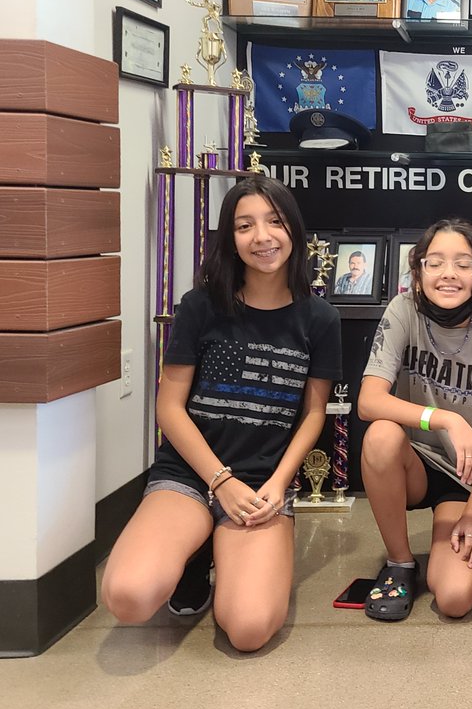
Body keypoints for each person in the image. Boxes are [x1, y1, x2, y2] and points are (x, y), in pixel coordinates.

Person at [100, 176, 341, 652]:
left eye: (275, 222)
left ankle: (220, 548)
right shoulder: (201, 307)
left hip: (261, 484)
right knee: (127, 597)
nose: (262, 237)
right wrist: (220, 482)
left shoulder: (319, 319)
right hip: (191, 474)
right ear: (229, 239)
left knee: (249, 629)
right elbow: (168, 408)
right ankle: (195, 552)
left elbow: (314, 413)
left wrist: (278, 484)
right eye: (244, 225)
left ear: (293, 229)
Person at [357, 219, 472, 621]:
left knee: (453, 597)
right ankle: (400, 562)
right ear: (417, 272)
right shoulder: (402, 310)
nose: (448, 273)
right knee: (381, 435)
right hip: (412, 461)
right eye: (435, 263)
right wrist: (446, 419)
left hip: (467, 475)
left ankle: (457, 526)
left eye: (462, 263)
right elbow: (368, 401)